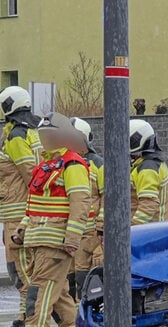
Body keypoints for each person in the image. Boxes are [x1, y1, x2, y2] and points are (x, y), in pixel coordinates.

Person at [6, 113, 90, 327]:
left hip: (55, 243)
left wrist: (72, 238)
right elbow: (33, 206)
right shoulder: (46, 166)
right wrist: (22, 228)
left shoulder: (72, 165)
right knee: (60, 294)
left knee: (39, 294)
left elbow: (80, 202)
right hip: (39, 240)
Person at [0, 86, 42, 327]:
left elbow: (29, 174)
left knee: (21, 270)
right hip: (20, 211)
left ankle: (29, 320)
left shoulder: (16, 137)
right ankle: (22, 317)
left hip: (18, 213)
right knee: (24, 269)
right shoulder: (32, 131)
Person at [69, 117, 104, 301]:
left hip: (90, 235)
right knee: (70, 282)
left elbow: (108, 197)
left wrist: (101, 228)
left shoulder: (97, 164)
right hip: (70, 234)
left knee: (86, 282)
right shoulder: (65, 163)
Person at [129, 120, 168, 225]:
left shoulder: (147, 168)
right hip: (152, 230)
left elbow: (148, 204)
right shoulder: (150, 164)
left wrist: (133, 229)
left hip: (147, 232)